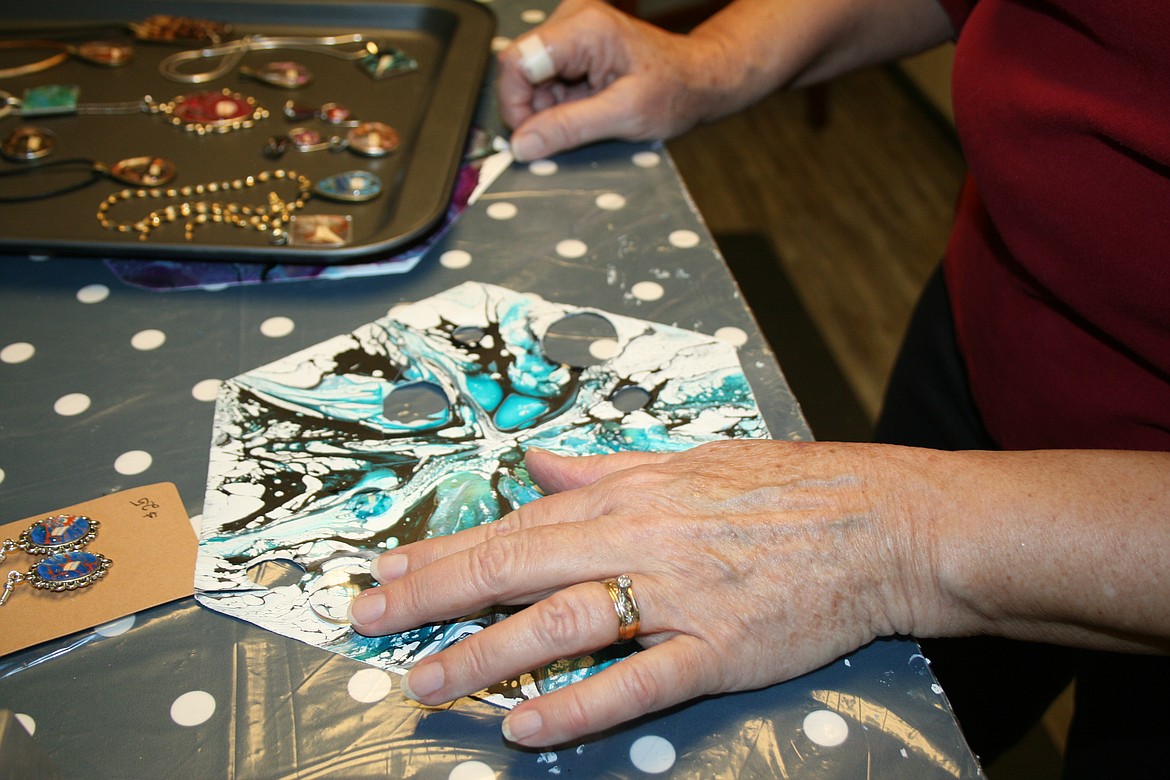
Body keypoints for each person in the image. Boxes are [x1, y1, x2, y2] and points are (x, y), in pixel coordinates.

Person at [348, 0, 1170, 772]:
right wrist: (709, 59)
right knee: (921, 731)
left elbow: (900, 537)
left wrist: (903, 535)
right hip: (989, 337)